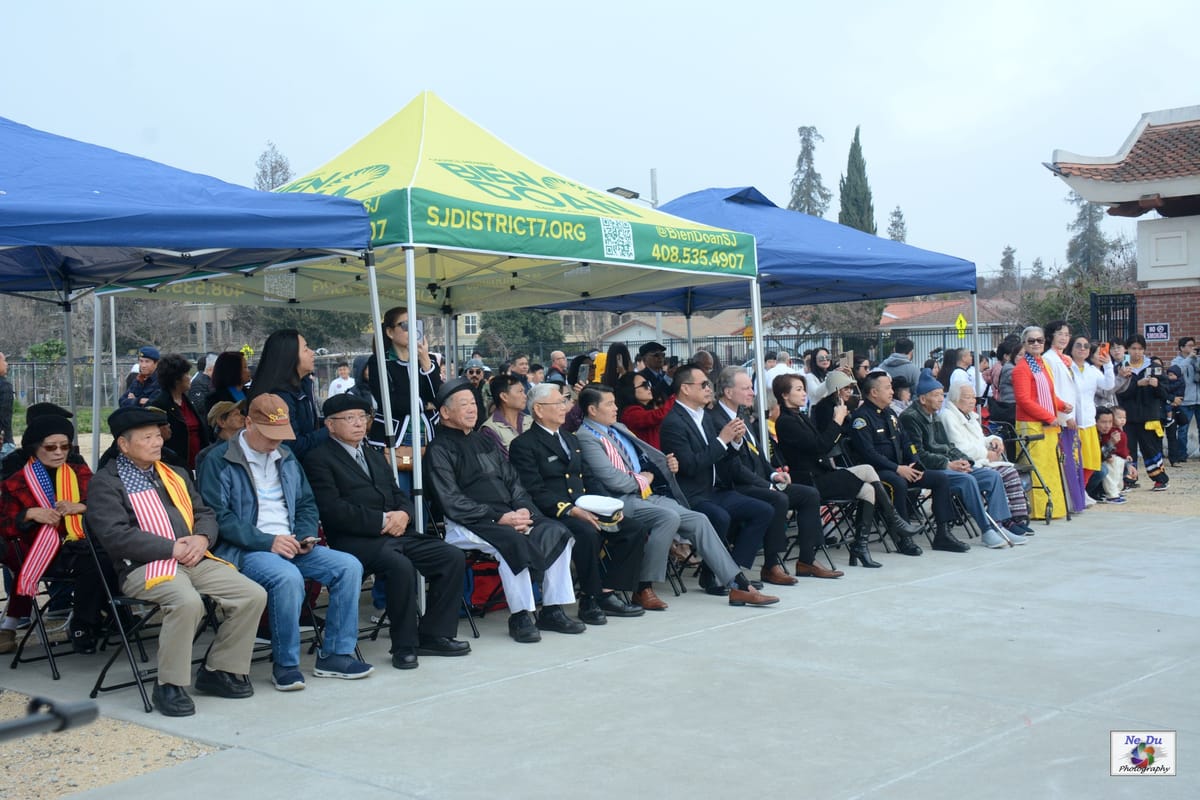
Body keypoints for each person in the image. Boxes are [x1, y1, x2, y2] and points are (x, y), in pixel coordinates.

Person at [85, 407, 267, 717]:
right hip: (143, 566)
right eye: (147, 438)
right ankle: (169, 685)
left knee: (252, 594)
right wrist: (171, 548)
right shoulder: (106, 482)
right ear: (123, 445)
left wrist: (202, 539)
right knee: (186, 602)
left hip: (193, 556)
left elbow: (205, 514)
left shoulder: (174, 473)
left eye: (158, 435)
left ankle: (219, 670)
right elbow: (116, 536)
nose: (157, 442)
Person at [196, 394, 373, 691]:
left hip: (290, 541)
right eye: (268, 435)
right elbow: (219, 517)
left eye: (280, 435)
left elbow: (305, 502)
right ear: (248, 422)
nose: (274, 443)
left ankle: (336, 654)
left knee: (349, 566)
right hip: (247, 547)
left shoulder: (286, 456)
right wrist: (268, 541)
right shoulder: (219, 459)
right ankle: (286, 663)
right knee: (287, 577)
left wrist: (304, 534)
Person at [303, 393, 470, 670]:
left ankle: (434, 634)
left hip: (396, 532)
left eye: (363, 417)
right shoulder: (318, 459)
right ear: (330, 425)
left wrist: (404, 513)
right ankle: (404, 645)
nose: (359, 424)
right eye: (350, 418)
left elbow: (397, 492)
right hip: (355, 540)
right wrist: (382, 521)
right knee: (399, 566)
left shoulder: (371, 453)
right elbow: (332, 510)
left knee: (450, 556)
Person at [576, 383, 777, 608]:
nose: (616, 408)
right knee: (667, 517)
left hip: (645, 494)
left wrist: (663, 467)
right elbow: (615, 481)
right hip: (618, 501)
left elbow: (645, 460)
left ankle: (738, 585)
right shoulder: (586, 436)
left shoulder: (618, 428)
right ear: (592, 410)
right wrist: (647, 477)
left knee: (699, 519)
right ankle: (643, 587)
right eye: (610, 404)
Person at [424, 379, 580, 643]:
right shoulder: (439, 449)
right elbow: (450, 501)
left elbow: (514, 482)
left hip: (509, 516)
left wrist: (524, 512)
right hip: (470, 523)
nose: (472, 409)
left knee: (558, 531)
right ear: (445, 412)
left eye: (473, 403)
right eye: (464, 405)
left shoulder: (483, 441)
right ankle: (520, 615)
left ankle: (552, 609)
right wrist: (500, 518)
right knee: (512, 542)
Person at [509, 383, 647, 624]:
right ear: (539, 410)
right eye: (559, 403)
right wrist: (572, 510)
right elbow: (534, 489)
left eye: (564, 402)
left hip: (586, 505)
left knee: (633, 529)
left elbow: (589, 478)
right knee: (586, 533)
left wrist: (610, 507)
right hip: (554, 512)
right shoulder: (524, 444)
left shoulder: (570, 439)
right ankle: (589, 599)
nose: (565, 408)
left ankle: (607, 591)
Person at [773, 373, 924, 567]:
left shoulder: (800, 416)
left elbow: (826, 442)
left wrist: (841, 419)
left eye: (804, 389)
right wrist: (837, 420)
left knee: (868, 490)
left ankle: (860, 547)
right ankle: (895, 522)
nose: (804, 394)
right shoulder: (786, 421)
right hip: (809, 480)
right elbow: (820, 446)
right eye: (798, 390)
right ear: (785, 395)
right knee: (869, 470)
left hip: (822, 473)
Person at [659, 366, 782, 600]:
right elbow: (690, 466)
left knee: (764, 510)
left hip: (715, 489)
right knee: (720, 516)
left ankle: (732, 573)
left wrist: (733, 443)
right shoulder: (674, 422)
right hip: (692, 493)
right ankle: (716, 574)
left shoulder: (704, 416)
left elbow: (722, 459)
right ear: (685, 389)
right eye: (703, 385)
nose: (709, 389)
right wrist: (722, 440)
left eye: (709, 384)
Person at [712, 367, 842, 581]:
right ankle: (771, 565)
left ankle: (806, 561)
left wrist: (773, 475)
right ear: (728, 392)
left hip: (758, 480)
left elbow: (759, 456)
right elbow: (733, 466)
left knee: (809, 495)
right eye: (746, 388)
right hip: (736, 485)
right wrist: (767, 485)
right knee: (777, 498)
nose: (753, 393)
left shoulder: (743, 414)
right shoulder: (716, 419)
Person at [0, 414, 113, 654]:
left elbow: (108, 506)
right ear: (35, 448)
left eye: (65, 446)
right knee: (96, 560)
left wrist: (81, 507)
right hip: (37, 554)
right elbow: (4, 525)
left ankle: (97, 618)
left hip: (82, 545)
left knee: (105, 556)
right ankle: (84, 624)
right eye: (50, 447)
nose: (59, 452)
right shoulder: (16, 482)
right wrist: (29, 514)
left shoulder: (79, 472)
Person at [848, 371, 970, 554]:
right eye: (887, 388)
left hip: (903, 467)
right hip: (878, 472)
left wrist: (914, 463)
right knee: (897, 482)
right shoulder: (861, 418)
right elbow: (869, 454)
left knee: (940, 479)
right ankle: (903, 538)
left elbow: (907, 443)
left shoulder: (890, 414)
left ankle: (943, 534)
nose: (892, 391)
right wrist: (898, 468)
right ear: (874, 392)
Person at [900, 371, 1022, 548]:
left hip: (948, 464)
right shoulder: (911, 417)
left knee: (992, 477)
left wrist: (966, 461)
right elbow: (919, 454)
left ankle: (1000, 526)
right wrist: (948, 464)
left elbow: (948, 446)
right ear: (923, 399)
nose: (941, 399)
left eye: (942, 395)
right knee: (967, 479)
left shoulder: (934, 414)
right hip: (930, 468)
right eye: (936, 396)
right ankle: (987, 529)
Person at [940, 383, 1034, 536]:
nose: (972, 401)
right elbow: (959, 447)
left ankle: (1016, 519)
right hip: (967, 464)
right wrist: (985, 453)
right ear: (956, 399)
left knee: (1010, 472)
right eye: (967, 397)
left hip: (980, 460)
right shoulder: (948, 417)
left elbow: (980, 439)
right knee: (1006, 473)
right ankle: (1005, 520)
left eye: (973, 397)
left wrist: (993, 441)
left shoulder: (969, 415)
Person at [366, 307, 442, 468]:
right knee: (402, 489)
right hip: (395, 441)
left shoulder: (429, 360)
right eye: (405, 325)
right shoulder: (379, 362)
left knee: (429, 491)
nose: (412, 330)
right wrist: (425, 405)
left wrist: (426, 362)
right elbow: (389, 403)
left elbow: (439, 397)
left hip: (429, 439)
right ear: (390, 332)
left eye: (416, 325)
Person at [1011, 325, 1071, 520]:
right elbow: (1024, 400)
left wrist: (1061, 405)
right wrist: (1048, 416)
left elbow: (1048, 393)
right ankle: (1037, 510)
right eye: (1031, 341)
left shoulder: (1042, 364)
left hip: (1048, 423)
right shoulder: (1022, 368)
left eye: (1040, 340)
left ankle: (1054, 507)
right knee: (1036, 468)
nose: (1036, 344)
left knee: (1050, 467)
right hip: (1032, 424)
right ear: (1024, 344)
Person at [248, 330, 327, 460]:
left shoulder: (304, 385)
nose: (313, 353)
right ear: (289, 356)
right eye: (305, 349)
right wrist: (330, 430)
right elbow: (290, 446)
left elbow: (309, 426)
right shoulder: (277, 397)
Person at [1043, 321, 1086, 512]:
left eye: (1067, 334)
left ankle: (1077, 499)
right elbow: (1054, 390)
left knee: (1074, 459)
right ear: (1051, 336)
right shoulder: (1049, 359)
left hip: (1071, 412)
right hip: (1062, 416)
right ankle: (1069, 501)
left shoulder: (1065, 359)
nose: (1064, 338)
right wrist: (1064, 415)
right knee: (1067, 460)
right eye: (1060, 333)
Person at [1117, 334, 1170, 491]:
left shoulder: (1153, 366)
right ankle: (1129, 480)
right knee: (1128, 448)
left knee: (1151, 448)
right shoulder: (1122, 367)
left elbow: (1166, 393)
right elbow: (1118, 392)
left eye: (1140, 349)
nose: (1137, 352)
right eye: (1133, 348)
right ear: (1128, 349)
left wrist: (1157, 385)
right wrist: (1136, 385)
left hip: (1149, 416)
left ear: (1144, 350)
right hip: (1128, 417)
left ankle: (1160, 480)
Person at [150, 353, 211, 473]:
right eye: (187, 374)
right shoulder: (160, 405)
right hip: (176, 469)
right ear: (176, 379)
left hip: (198, 466)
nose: (190, 377)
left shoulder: (187, 401)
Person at [1068, 336, 1114, 489]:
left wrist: (1108, 365)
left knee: (1090, 461)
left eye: (1086, 346)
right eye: (1078, 345)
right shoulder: (1066, 367)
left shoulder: (1092, 370)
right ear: (1071, 348)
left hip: (1088, 422)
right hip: (1071, 422)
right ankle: (1075, 492)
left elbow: (1108, 385)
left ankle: (1083, 490)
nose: (1082, 349)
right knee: (1074, 462)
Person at [616, 371, 675, 450]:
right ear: (630, 390)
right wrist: (678, 396)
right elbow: (659, 415)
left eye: (649, 384)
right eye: (644, 385)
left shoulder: (644, 409)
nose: (649, 388)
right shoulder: (630, 413)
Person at [479, 374, 530, 457]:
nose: (525, 396)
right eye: (520, 392)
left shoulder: (530, 421)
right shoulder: (490, 430)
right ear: (504, 397)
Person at [194, 400, 246, 474]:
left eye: (240, 413)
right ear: (222, 422)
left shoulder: (247, 447)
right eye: (236, 414)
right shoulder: (206, 455)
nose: (243, 417)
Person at [1170, 336, 1199, 461]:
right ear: (1181, 348)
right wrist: (1189, 358)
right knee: (1182, 430)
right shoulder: (1176, 361)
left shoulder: (1196, 359)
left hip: (1198, 400)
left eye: (1194, 345)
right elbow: (1178, 371)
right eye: (1189, 345)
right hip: (1185, 400)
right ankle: (1182, 455)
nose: (1192, 348)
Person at [1093, 407, 1128, 503]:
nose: (1107, 426)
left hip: (1108, 460)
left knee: (1123, 466)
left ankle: (1109, 491)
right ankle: (1096, 493)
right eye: (1103, 422)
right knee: (1104, 470)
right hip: (1092, 466)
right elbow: (1097, 456)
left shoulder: (1113, 431)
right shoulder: (1092, 433)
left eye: (1110, 422)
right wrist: (1111, 443)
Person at [205, 351, 250, 415]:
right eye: (245, 367)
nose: (249, 371)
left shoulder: (250, 393)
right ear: (233, 371)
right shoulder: (214, 399)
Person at [462, 357, 489, 430]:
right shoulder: (461, 390)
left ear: (482, 374)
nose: (474, 375)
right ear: (466, 373)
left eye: (478, 372)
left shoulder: (488, 390)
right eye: (471, 372)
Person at [0, 352, 11, 453]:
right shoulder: (4, 385)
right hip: (4, 442)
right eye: (4, 361)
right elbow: (3, 414)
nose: (6, 364)